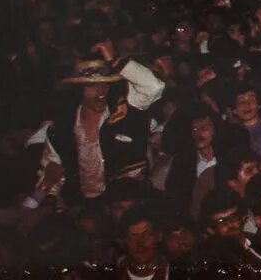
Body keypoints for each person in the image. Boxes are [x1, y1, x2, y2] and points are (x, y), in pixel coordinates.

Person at [36, 52, 166, 202]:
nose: (101, 91)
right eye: (92, 85)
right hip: (81, 208)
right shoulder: (61, 129)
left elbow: (155, 87)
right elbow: (51, 176)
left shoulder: (126, 113)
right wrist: (47, 201)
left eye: (105, 84)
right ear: (79, 90)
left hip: (125, 204)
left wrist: (113, 59)